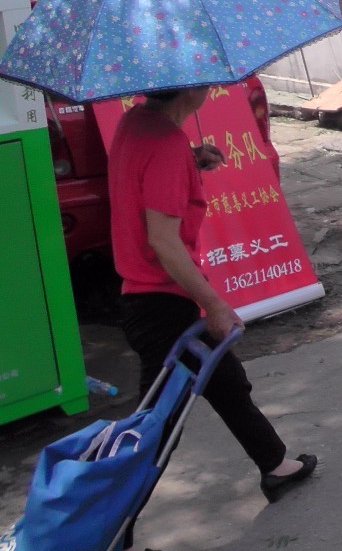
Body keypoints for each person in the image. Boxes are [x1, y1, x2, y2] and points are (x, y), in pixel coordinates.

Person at [109, 86, 317, 549]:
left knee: (228, 385)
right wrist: (217, 305)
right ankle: (109, 527)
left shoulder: (140, 124)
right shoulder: (162, 143)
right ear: (194, 88)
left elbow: (149, 176)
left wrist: (190, 159)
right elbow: (164, 242)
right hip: (161, 302)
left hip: (152, 296)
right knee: (157, 427)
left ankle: (275, 464)